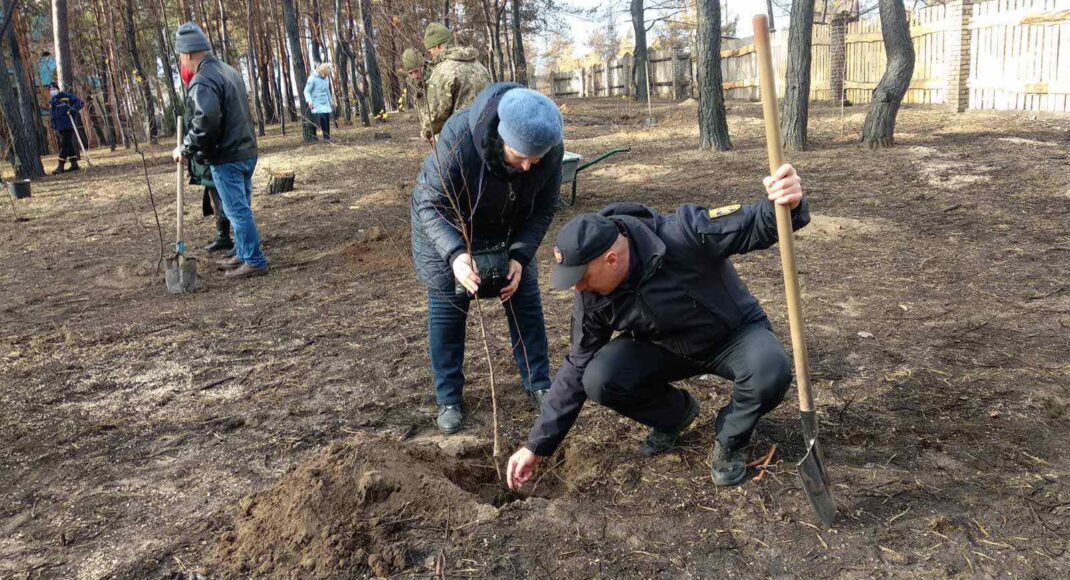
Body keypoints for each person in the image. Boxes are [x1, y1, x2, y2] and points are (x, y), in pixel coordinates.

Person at [506, 164, 811, 490]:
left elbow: (756, 224)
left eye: (581, 278)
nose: (578, 289)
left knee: (769, 370)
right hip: (665, 348)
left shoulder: (683, 233)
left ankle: (730, 439)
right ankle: (674, 415)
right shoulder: (593, 295)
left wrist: (787, 204)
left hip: (731, 337)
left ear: (612, 259)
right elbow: (577, 365)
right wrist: (537, 445)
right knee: (598, 376)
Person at [411, 83, 564, 434]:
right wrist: (455, 255)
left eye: (536, 158)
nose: (528, 166)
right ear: (500, 137)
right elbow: (431, 204)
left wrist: (520, 255)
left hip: (508, 227)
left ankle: (538, 383)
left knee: (524, 296)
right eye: (520, 155)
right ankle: (449, 397)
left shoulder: (549, 150)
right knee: (448, 306)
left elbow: (543, 208)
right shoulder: (459, 138)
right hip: (449, 226)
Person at [171, 22, 266, 279]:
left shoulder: (203, 80)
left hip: (228, 156)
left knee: (237, 210)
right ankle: (244, 253)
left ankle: (254, 261)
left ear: (188, 54)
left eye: (181, 57)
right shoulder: (228, 70)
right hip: (246, 150)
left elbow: (205, 123)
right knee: (241, 207)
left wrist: (186, 148)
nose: (182, 62)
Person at [419, 23, 491, 142]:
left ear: (438, 46)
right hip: (485, 137)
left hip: (459, 142)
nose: (431, 56)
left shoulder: (442, 72)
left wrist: (425, 132)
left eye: (430, 51)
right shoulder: (479, 66)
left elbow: (435, 116)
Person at [47, 83, 84, 174]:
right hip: (59, 127)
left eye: (54, 89)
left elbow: (80, 102)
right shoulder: (52, 102)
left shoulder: (66, 96)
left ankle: (60, 166)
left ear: (58, 89)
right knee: (68, 145)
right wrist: (53, 124)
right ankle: (74, 164)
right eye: (51, 90)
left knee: (64, 145)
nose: (52, 91)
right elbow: (52, 115)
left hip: (68, 125)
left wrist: (72, 110)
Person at [304, 63, 334, 141]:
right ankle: (325, 137)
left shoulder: (326, 79)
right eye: (326, 74)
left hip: (325, 102)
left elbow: (328, 92)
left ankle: (327, 137)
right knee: (322, 117)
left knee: (327, 117)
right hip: (316, 102)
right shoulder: (312, 78)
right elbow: (306, 91)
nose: (327, 76)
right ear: (323, 71)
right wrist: (309, 101)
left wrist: (331, 103)